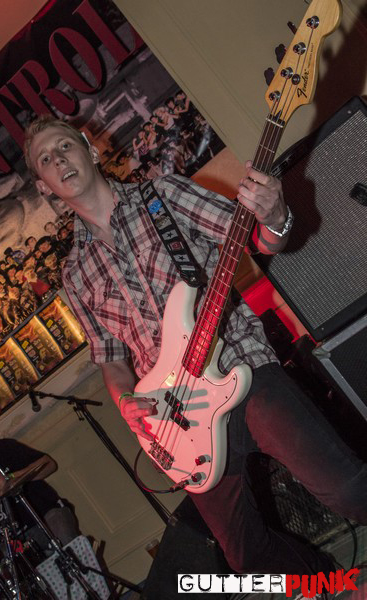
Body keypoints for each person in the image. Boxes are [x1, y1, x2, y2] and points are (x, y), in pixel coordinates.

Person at [23, 115, 367, 584]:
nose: (59, 159)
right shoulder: (74, 273)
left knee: (348, 490)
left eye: (64, 145)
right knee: (243, 553)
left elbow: (258, 238)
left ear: (91, 149)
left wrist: (275, 216)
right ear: (44, 186)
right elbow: (112, 361)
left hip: (241, 370)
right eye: (46, 158)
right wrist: (128, 404)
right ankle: (329, 582)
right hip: (178, 419)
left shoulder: (162, 195)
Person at [0, 435, 79, 552]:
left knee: (69, 550)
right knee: (5, 559)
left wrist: (10, 477)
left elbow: (49, 464)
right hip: (16, 538)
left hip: (45, 514)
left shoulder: (0, 448)